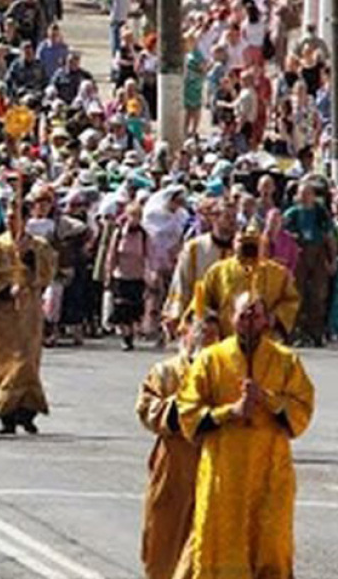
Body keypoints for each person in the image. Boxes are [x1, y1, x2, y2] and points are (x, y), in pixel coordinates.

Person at [176, 293, 314, 579]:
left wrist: (268, 399)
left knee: (271, 542)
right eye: (243, 316)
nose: (249, 322)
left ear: (265, 321)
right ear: (232, 318)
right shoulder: (211, 360)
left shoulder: (286, 361)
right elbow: (188, 411)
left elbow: (302, 409)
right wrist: (230, 412)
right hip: (224, 467)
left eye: (256, 316)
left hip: (269, 468)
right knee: (219, 540)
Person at [136, 308, 220, 579]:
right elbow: (146, 408)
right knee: (163, 544)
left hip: (215, 466)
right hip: (174, 467)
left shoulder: (229, 373)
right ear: (187, 334)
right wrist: (183, 407)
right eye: (200, 331)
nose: (206, 339)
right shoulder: (166, 372)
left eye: (213, 334)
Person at [0, 199, 56, 435]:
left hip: (30, 311)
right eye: (10, 217)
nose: (13, 221)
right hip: (6, 313)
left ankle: (27, 411)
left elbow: (47, 273)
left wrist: (29, 257)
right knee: (7, 361)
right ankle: (7, 414)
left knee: (28, 361)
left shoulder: (39, 245)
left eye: (17, 217)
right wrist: (2, 290)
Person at [194, 222, 299, 340]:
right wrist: (211, 322)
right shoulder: (217, 271)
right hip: (226, 339)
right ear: (233, 243)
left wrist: (275, 317)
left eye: (254, 242)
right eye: (243, 241)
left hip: (266, 339)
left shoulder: (278, 273)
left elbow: (291, 300)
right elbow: (202, 301)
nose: (249, 246)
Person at [163, 198, 236, 337]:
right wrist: (175, 313)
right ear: (214, 218)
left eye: (234, 217)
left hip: (232, 321)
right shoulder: (195, 248)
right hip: (201, 318)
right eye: (227, 216)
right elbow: (181, 281)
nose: (232, 221)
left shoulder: (241, 249)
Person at [282, 183, 336, 346]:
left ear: (313, 196)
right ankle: (296, 332)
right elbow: (283, 236)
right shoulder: (292, 213)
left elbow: (329, 237)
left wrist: (332, 259)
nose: (305, 197)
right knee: (297, 293)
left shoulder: (321, 213)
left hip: (318, 252)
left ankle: (316, 333)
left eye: (308, 193)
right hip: (299, 253)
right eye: (302, 194)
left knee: (319, 293)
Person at [106, 203, 149, 350]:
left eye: (138, 216)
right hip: (121, 275)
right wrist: (109, 273)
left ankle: (131, 334)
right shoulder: (119, 233)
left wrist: (150, 274)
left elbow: (149, 255)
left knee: (134, 308)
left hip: (137, 276)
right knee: (121, 307)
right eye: (132, 215)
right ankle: (126, 337)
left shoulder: (143, 234)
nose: (134, 219)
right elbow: (112, 254)